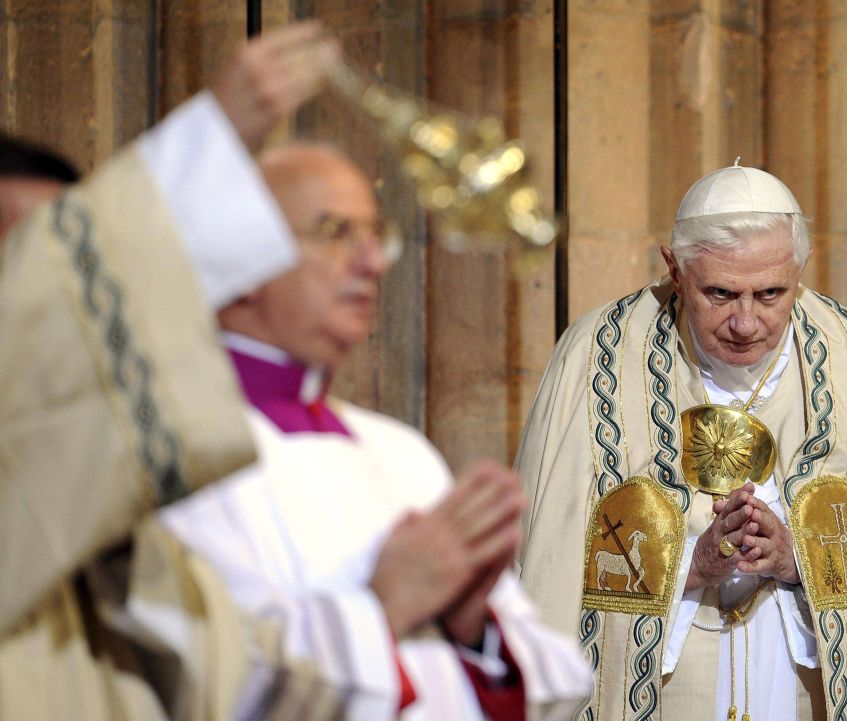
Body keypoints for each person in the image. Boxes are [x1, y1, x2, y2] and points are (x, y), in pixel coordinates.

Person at [513, 162, 847, 720]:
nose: (745, 322)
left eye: (770, 293)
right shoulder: (599, 358)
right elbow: (550, 563)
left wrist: (797, 561)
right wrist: (690, 567)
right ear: (674, 267)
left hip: (800, 687)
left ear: (800, 268)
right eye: (720, 293)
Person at [0, 22, 367, 720]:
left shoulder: (115, 516)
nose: (59, 305)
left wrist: (448, 639)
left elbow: (239, 670)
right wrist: (212, 143)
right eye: (27, 271)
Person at [158, 143, 592, 721]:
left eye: (374, 234)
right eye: (335, 232)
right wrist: (384, 606)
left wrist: (473, 626)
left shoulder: (401, 453)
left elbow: (559, 680)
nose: (372, 261)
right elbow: (206, 676)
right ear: (239, 261)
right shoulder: (167, 455)